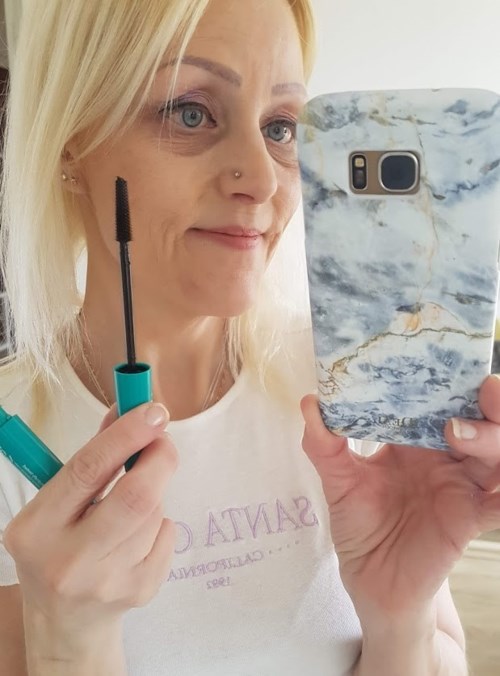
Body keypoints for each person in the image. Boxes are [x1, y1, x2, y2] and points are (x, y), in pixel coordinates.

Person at [0, 1, 498, 674]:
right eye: (190, 112)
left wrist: (398, 616)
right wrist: (70, 645)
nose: (263, 179)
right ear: (70, 142)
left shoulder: (351, 386)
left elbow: (441, 654)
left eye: (280, 127)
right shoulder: (12, 442)